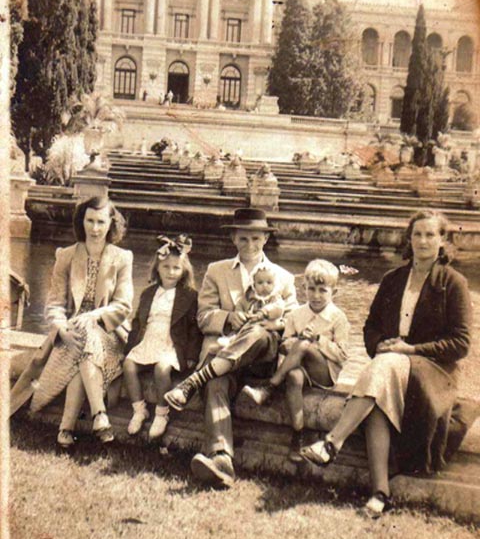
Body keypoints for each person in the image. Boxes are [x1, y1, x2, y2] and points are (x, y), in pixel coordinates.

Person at [300, 210, 472, 518]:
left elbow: (460, 344)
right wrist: (377, 344)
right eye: (417, 234)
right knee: (377, 400)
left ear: (442, 240)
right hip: (391, 368)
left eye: (431, 234)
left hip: (433, 372)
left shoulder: (453, 283)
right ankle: (379, 494)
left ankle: (331, 442)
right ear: (409, 238)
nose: (423, 240)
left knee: (387, 363)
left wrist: (411, 349)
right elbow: (371, 326)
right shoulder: (393, 280)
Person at [163, 208, 298, 488]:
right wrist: (228, 318)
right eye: (244, 239)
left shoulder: (283, 277)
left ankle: (192, 382)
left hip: (262, 355)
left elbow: (293, 323)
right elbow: (203, 316)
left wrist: (271, 322)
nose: (250, 245)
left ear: (265, 239)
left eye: (256, 239)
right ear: (234, 239)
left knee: (258, 331)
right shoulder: (217, 270)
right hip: (225, 355)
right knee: (215, 383)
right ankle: (221, 458)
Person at [10, 196, 134, 448]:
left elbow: (123, 306)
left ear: (111, 223)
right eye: (89, 220)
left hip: (108, 331)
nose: (95, 228)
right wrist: (61, 329)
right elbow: (54, 303)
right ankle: (96, 419)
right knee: (83, 350)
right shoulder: (66, 256)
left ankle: (69, 426)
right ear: (82, 221)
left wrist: (93, 316)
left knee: (87, 331)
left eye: (101, 221)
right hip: (72, 333)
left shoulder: (122, 257)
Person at [242, 259, 350, 463]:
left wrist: (318, 340)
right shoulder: (296, 314)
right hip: (299, 368)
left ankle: (270, 387)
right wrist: (298, 338)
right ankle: (297, 436)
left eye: (322, 290)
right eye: (311, 289)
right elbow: (284, 344)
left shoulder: (338, 317)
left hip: (324, 372)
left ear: (333, 292)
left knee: (305, 345)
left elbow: (343, 356)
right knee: (293, 376)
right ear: (304, 289)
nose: (316, 296)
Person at [123, 235, 202, 441]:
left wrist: (192, 355)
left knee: (161, 368)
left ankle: (161, 412)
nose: (171, 272)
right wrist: (128, 349)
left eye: (176, 268)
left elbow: (194, 328)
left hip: (171, 343)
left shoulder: (189, 295)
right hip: (149, 339)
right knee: (129, 365)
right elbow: (138, 323)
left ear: (184, 270)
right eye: (166, 267)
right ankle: (139, 409)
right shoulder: (149, 293)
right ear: (157, 268)